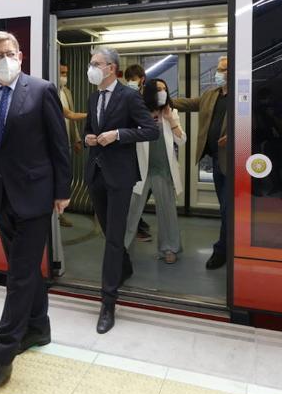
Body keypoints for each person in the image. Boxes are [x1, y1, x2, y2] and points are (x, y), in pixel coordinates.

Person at [0, 31, 71, 394]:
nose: (4, 59)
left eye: (10, 52)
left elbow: (60, 145)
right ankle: (38, 328)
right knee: (23, 270)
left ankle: (1, 356)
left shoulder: (42, 90)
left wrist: (62, 191)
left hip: (37, 196)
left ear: (20, 55)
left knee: (19, 276)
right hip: (0, 196)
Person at [84, 47, 158, 334]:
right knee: (108, 231)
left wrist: (118, 135)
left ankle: (108, 303)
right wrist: (88, 137)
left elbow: (149, 130)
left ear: (111, 68)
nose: (91, 68)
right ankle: (124, 266)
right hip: (96, 174)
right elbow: (89, 129)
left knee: (114, 238)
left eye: (95, 64)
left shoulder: (128, 96)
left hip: (120, 176)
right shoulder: (93, 97)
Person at [172, 56, 229, 269]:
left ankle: (223, 250)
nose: (219, 73)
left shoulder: (243, 95)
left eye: (223, 69)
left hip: (234, 163)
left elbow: (253, 124)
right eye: (219, 69)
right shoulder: (211, 94)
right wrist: (160, 99)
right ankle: (227, 246)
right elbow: (188, 103)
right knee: (226, 208)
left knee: (226, 209)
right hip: (216, 160)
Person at [123, 78, 185, 264]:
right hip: (140, 171)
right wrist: (145, 121)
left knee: (167, 211)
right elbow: (128, 136)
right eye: (158, 89)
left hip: (163, 170)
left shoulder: (171, 111)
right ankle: (122, 248)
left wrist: (171, 120)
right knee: (131, 212)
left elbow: (182, 140)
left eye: (165, 89)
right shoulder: (138, 112)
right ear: (150, 91)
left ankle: (169, 248)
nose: (163, 92)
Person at [123, 63, 152, 242]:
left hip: (147, 148)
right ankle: (135, 225)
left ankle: (137, 222)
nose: (130, 83)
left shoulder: (148, 97)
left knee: (143, 190)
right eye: (128, 80)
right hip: (130, 148)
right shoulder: (125, 97)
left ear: (142, 79)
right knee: (134, 192)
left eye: (133, 79)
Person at [56, 64, 86, 228]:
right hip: (55, 144)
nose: (64, 76)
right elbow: (70, 114)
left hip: (66, 141)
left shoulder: (66, 92)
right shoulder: (49, 91)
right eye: (61, 73)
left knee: (65, 179)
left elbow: (71, 119)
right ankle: (55, 215)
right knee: (56, 179)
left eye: (66, 73)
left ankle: (60, 213)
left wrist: (76, 139)